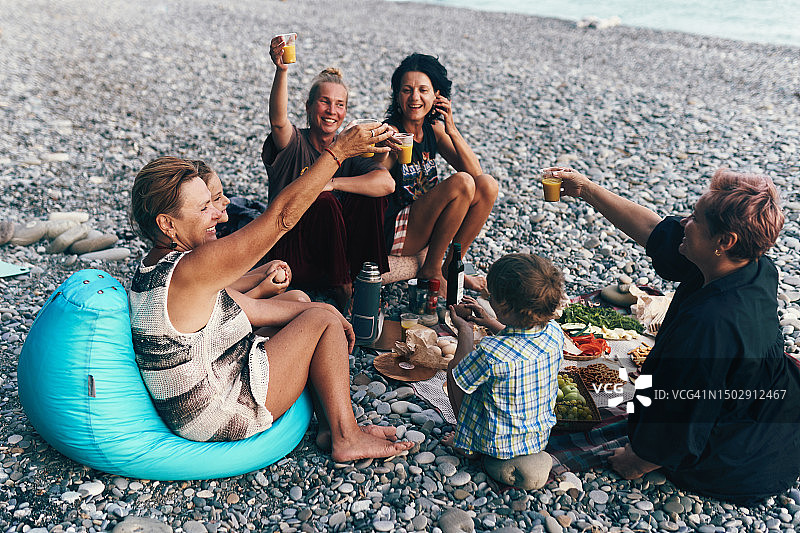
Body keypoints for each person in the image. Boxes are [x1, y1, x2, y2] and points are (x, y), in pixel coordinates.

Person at [129, 126, 414, 462]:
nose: (219, 214)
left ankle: (329, 427)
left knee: (299, 301)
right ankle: (346, 437)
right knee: (321, 319)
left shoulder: (157, 267)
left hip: (209, 383)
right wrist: (338, 153)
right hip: (218, 413)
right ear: (167, 225)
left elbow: (235, 307)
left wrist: (313, 307)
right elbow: (281, 217)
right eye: (204, 208)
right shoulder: (192, 268)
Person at [551, 166, 800, 504]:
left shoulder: (710, 326)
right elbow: (656, 230)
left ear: (724, 242)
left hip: (742, 462)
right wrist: (587, 189)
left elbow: (687, 415)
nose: (684, 222)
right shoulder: (749, 264)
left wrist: (639, 459)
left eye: (695, 218)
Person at [262, 36, 395, 310]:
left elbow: (386, 184)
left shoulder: (350, 148)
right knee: (322, 202)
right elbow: (277, 121)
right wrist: (281, 70)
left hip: (333, 257)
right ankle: (344, 289)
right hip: (290, 255)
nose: (332, 111)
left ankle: (370, 276)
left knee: (366, 196)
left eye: (340, 105)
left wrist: (332, 183)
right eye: (324, 102)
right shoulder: (293, 142)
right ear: (309, 106)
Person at [444, 253, 565, 488]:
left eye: (493, 298)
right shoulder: (554, 333)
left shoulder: (492, 352)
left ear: (506, 307)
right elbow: (520, 341)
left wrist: (465, 332)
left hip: (494, 444)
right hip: (537, 439)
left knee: (455, 373)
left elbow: (460, 374)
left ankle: (466, 444)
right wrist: (488, 321)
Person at [381, 53, 498, 294]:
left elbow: (479, 177)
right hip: (397, 228)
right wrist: (383, 150)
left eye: (423, 90)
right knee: (462, 183)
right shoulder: (392, 131)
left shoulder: (433, 130)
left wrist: (452, 130)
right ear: (398, 95)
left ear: (437, 95)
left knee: (487, 185)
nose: (415, 97)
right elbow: (376, 172)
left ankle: (450, 266)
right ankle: (431, 270)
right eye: (407, 90)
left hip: (424, 222)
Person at [192, 159, 296, 300]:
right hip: (230, 315)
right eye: (217, 198)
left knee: (296, 294)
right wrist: (261, 290)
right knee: (302, 301)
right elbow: (219, 310)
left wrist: (264, 274)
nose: (228, 200)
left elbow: (223, 287)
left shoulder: (209, 238)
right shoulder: (194, 256)